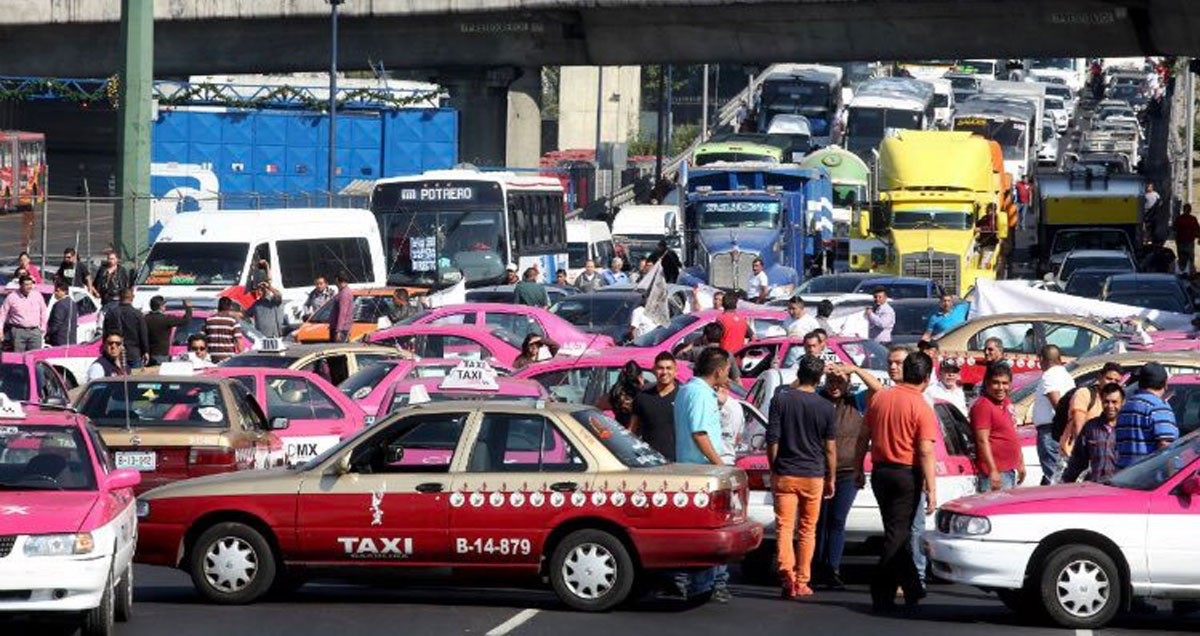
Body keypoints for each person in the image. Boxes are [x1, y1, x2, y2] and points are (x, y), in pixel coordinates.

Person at [861, 351, 938, 612]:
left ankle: (912, 587)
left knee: (897, 532)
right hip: (906, 474)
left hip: (881, 472)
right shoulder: (922, 406)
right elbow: (926, 450)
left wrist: (861, 467)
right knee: (897, 535)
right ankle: (881, 592)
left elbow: (864, 435)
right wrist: (932, 487)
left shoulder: (881, 397)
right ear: (926, 378)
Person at [767, 354, 837, 599]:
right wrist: (831, 477)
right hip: (813, 474)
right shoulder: (827, 407)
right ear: (819, 379)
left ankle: (786, 573)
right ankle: (803, 579)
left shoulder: (781, 400)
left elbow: (773, 439)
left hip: (786, 471)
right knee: (808, 529)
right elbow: (830, 447)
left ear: (798, 374)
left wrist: (773, 467)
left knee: (784, 527)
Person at [673, 347, 733, 603]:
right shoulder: (699, 394)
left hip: (694, 469)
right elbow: (700, 433)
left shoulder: (690, 390)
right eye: (728, 370)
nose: (729, 375)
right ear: (718, 371)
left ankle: (700, 582)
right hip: (701, 471)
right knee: (707, 532)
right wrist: (720, 465)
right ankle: (701, 585)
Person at [810, 368, 869, 591]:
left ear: (848, 384)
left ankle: (832, 569)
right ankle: (814, 568)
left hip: (846, 472)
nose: (835, 386)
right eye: (831, 381)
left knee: (837, 520)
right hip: (818, 471)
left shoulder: (856, 403)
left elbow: (877, 390)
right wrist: (818, 371)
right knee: (817, 522)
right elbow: (790, 392)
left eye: (840, 382)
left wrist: (854, 369)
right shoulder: (816, 400)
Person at [970, 363, 1025, 492]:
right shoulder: (983, 406)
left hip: (1009, 470)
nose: (1001, 388)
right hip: (995, 473)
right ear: (988, 383)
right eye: (996, 383)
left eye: (1005, 383)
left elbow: (1012, 434)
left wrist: (1020, 463)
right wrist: (992, 471)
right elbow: (982, 440)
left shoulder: (1006, 403)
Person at [1114, 362, 1179, 469]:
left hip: (1123, 475)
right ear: (1165, 384)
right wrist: (1172, 475)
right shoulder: (1158, 406)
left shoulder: (1126, 406)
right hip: (1148, 478)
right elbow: (1165, 444)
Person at [1062, 383, 1123, 483]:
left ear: (1122, 403)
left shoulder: (1128, 427)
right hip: (1097, 486)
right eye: (1106, 402)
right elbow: (1078, 461)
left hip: (1121, 487)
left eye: (1114, 402)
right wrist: (1066, 482)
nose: (1110, 406)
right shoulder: (1091, 428)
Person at [1059, 362, 1124, 457]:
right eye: (1109, 379)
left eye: (1117, 381)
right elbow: (1079, 426)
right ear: (1100, 377)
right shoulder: (1085, 394)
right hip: (1076, 453)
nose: (1112, 383)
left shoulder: (1118, 400)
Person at [1031, 345, 1075, 483]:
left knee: (1053, 476)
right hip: (1060, 430)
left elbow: (1057, 403)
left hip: (1051, 431)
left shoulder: (1049, 376)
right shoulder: (1066, 376)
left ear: (1042, 359)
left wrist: (1063, 427)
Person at [629, 351, 679, 460]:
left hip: (679, 460)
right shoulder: (642, 397)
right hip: (650, 460)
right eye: (660, 368)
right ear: (654, 370)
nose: (664, 372)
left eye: (669, 368)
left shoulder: (683, 396)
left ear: (676, 371)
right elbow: (632, 430)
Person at [102, 289, 149, 369]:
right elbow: (143, 334)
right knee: (134, 378)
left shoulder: (111, 313)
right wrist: (146, 351)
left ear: (120, 297)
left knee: (116, 378)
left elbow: (105, 333)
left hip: (115, 351)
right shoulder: (137, 314)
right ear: (132, 298)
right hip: (133, 352)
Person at [0, 275, 47, 352]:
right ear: (20, 285)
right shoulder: (12, 297)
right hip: (18, 331)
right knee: (18, 357)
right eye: (26, 285)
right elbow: (3, 314)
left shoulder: (37, 295)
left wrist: (43, 328)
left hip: (35, 331)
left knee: (36, 356)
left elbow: (43, 311)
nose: (29, 287)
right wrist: (0, 331)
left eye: (30, 284)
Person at [145, 296, 192, 364]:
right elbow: (186, 320)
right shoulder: (166, 319)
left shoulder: (145, 318)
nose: (165, 307)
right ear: (160, 307)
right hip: (161, 354)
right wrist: (188, 308)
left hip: (148, 354)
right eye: (164, 305)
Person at [205, 297, 244, 363]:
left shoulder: (209, 320)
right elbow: (238, 341)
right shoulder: (233, 321)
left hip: (212, 357)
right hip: (228, 358)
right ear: (229, 307)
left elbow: (204, 338)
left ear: (218, 306)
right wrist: (243, 357)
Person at [45, 280, 78, 347]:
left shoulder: (60, 304)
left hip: (59, 339)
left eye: (57, 291)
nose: (55, 293)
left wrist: (48, 334)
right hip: (71, 339)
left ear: (65, 291)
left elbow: (56, 323)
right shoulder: (73, 303)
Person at [328, 273, 355, 342]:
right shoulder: (342, 292)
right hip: (339, 327)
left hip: (341, 329)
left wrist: (338, 331)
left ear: (337, 280)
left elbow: (342, 313)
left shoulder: (344, 293)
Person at [1175, 203, 1198, 275]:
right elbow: (1197, 229)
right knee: (1190, 258)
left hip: (1181, 241)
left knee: (1181, 257)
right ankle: (1190, 272)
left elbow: (1174, 228)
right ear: (1190, 210)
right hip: (1189, 241)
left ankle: (1181, 271)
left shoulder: (1179, 219)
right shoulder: (1192, 219)